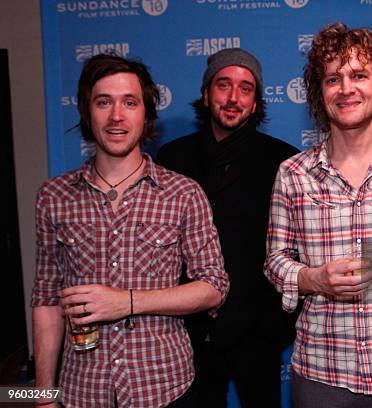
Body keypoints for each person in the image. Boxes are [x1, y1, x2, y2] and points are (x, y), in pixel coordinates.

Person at [31, 54, 229, 408]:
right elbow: (46, 299)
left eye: (130, 102)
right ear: (87, 113)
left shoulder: (183, 193)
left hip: (163, 387)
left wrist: (127, 302)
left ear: (147, 114)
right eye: (103, 102)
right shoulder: (53, 196)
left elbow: (214, 288)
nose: (116, 116)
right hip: (83, 391)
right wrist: (44, 396)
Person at [264, 22, 372, 408]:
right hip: (320, 373)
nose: (346, 89)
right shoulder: (293, 174)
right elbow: (275, 263)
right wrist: (313, 278)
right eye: (333, 79)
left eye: (359, 75)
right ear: (319, 93)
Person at [156, 48, 299, 407]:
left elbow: (296, 248)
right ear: (206, 94)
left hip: (258, 331)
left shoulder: (283, 161)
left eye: (245, 89)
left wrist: (275, 325)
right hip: (188, 330)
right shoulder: (171, 159)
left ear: (255, 103)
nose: (233, 98)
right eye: (223, 85)